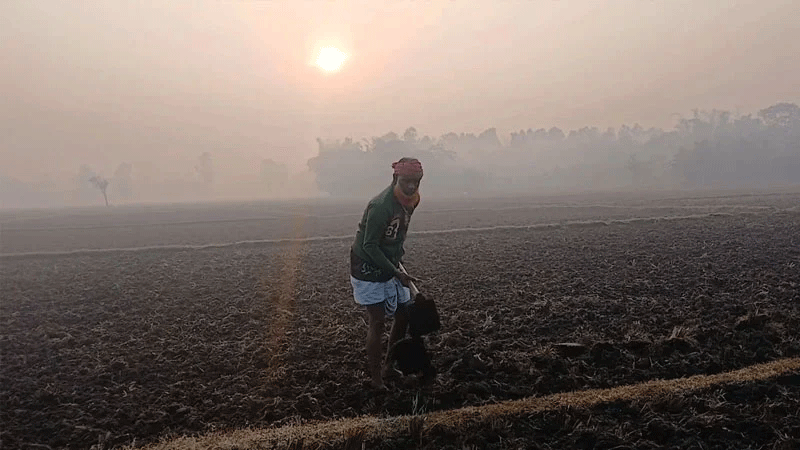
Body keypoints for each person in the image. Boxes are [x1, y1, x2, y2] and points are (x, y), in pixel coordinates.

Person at [350, 157, 423, 389]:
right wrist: (394, 271)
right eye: (406, 181)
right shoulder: (381, 206)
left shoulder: (413, 200)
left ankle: (389, 366)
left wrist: (397, 257)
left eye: (416, 181)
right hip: (367, 265)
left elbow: (399, 231)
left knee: (403, 316)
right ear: (395, 178)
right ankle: (376, 379)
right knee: (378, 320)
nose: (411, 186)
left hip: (390, 260)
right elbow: (370, 245)